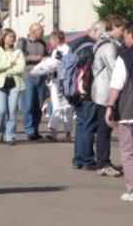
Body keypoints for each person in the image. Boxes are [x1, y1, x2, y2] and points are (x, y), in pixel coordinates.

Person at [91, 14, 125, 177]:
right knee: (104, 128)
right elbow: (115, 70)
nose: (122, 33)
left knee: (104, 128)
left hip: (103, 90)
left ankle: (103, 161)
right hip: (105, 91)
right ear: (114, 27)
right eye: (121, 29)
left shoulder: (105, 43)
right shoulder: (108, 46)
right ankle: (102, 163)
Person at [70, 21, 106, 170]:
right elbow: (91, 72)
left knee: (81, 125)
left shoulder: (77, 44)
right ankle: (87, 160)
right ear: (96, 31)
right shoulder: (91, 48)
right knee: (88, 125)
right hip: (87, 91)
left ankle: (78, 159)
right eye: (102, 33)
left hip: (75, 90)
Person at [105, 22, 133, 201]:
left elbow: (117, 84)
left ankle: (132, 189)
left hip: (129, 110)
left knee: (128, 152)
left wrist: (109, 106)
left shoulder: (125, 56)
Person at [0, 29, 25, 145]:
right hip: (0, 85)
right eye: (10, 36)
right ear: (3, 37)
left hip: (15, 84)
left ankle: (10, 136)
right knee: (1, 110)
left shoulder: (18, 52)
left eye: (13, 37)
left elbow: (21, 68)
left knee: (12, 111)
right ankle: (0, 131)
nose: (12, 39)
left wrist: (6, 69)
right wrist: (10, 64)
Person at [17, 23, 47, 140]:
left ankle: (35, 129)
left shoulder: (43, 43)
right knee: (28, 104)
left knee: (38, 105)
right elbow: (19, 56)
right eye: (41, 31)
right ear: (33, 31)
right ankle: (29, 130)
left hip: (41, 76)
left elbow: (47, 56)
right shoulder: (22, 41)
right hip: (28, 75)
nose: (43, 33)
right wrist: (33, 58)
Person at [45, 30, 74, 142]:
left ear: (57, 39)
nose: (50, 41)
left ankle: (67, 133)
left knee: (67, 108)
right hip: (54, 81)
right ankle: (53, 132)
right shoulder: (54, 50)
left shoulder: (67, 49)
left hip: (64, 82)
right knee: (56, 106)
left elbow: (66, 65)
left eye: (51, 39)